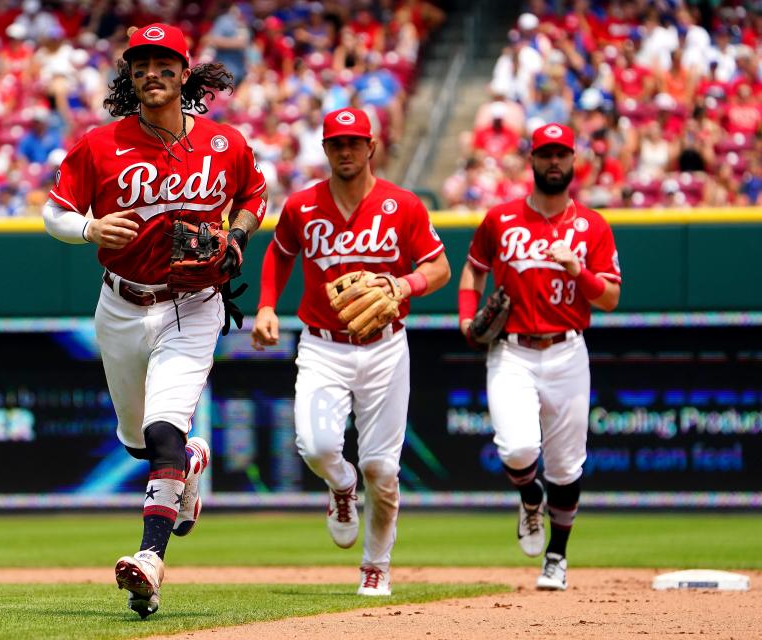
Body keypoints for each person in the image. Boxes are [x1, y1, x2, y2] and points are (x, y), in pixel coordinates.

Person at [42, 23, 267, 618]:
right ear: (130, 76)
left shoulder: (225, 143)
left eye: (164, 63)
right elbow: (53, 213)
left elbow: (254, 196)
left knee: (165, 428)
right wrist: (89, 228)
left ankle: (149, 559)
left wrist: (238, 236)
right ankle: (186, 465)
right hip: (120, 303)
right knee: (141, 441)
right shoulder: (100, 145)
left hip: (192, 306)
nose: (152, 72)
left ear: (183, 73)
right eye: (141, 63)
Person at [251, 107, 451, 596]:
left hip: (385, 348)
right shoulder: (302, 206)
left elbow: (441, 268)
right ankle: (341, 486)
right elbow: (279, 252)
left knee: (382, 468)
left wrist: (403, 285)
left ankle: (376, 564)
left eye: (354, 142)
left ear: (371, 148)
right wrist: (266, 306)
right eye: (337, 143)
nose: (346, 151)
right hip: (322, 346)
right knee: (317, 447)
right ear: (325, 149)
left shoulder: (402, 205)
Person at [456, 123, 622, 591]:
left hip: (568, 351)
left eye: (561, 154)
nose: (554, 162)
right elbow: (473, 271)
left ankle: (557, 556)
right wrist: (467, 317)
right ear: (531, 160)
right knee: (517, 448)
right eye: (545, 153)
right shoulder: (501, 219)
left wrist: (581, 271)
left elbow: (609, 297)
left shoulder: (593, 226)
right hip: (512, 350)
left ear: (573, 161)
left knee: (568, 467)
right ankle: (531, 499)